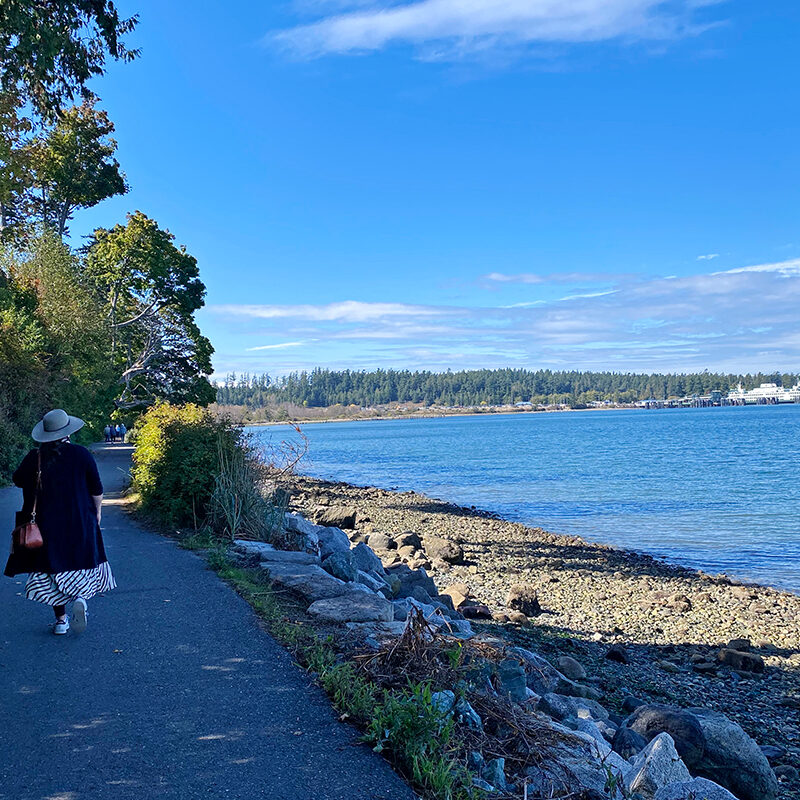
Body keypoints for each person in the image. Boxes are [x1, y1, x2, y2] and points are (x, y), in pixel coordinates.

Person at [4, 409, 116, 635]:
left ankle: (61, 621)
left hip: (45, 528)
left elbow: (17, 480)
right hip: (80, 522)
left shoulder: (34, 458)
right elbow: (96, 490)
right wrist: (97, 513)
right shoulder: (81, 454)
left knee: (51, 570)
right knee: (81, 563)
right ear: (68, 432)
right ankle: (81, 599)